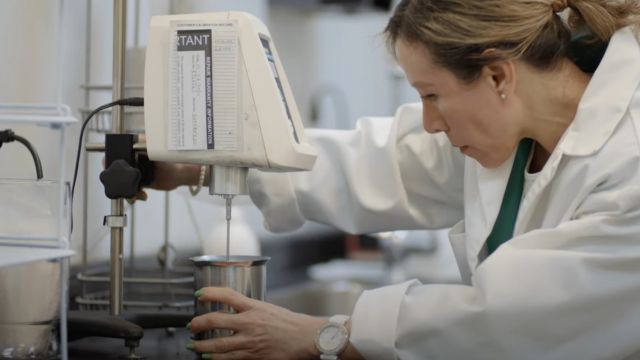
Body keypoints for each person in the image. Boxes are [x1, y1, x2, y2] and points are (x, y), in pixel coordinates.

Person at [152, 0, 640, 358]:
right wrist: (202, 162)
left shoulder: (628, 158)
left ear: (497, 76)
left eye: (431, 95)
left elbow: (520, 320)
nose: (429, 122)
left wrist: (327, 335)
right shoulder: (514, 131)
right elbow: (380, 163)